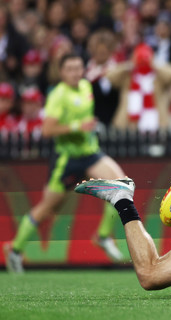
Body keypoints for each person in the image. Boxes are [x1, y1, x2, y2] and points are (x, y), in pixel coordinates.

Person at [4, 53, 127, 273]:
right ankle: (15, 250)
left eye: (78, 68)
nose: (75, 73)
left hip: (90, 154)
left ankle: (102, 236)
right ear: (61, 72)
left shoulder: (86, 87)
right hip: (67, 159)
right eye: (69, 69)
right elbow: (47, 130)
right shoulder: (57, 96)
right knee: (47, 208)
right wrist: (78, 126)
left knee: (121, 185)